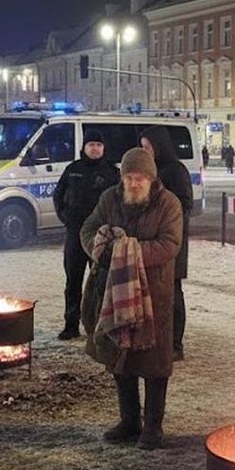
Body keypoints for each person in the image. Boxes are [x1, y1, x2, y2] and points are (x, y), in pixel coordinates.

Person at [80, 148, 183, 449]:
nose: (134, 183)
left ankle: (153, 426)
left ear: (151, 178)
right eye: (129, 177)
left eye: (139, 178)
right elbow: (87, 229)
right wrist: (100, 248)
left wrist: (129, 252)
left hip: (154, 294)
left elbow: (169, 244)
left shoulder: (169, 204)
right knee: (120, 356)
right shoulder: (110, 199)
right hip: (115, 292)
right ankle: (129, 420)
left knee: (153, 363)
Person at [52, 129, 120, 340]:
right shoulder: (73, 169)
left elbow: (120, 201)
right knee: (73, 280)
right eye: (91, 145)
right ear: (84, 147)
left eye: (98, 145)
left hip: (101, 236)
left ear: (104, 148)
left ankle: (99, 325)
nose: (95, 148)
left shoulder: (112, 172)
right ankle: (71, 325)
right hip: (75, 232)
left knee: (100, 282)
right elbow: (59, 195)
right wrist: (66, 217)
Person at [140, 126, 192, 361]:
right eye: (142, 147)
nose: (145, 151)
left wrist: (163, 213)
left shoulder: (176, 170)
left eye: (148, 147)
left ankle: (175, 344)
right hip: (151, 241)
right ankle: (157, 339)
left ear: (159, 146)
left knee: (172, 293)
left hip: (173, 240)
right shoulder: (149, 170)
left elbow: (185, 205)